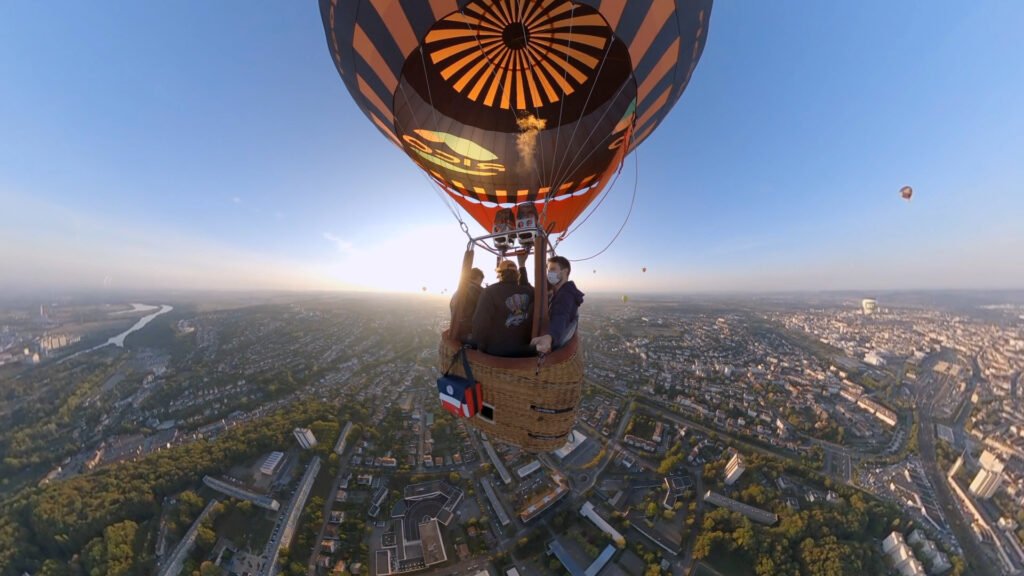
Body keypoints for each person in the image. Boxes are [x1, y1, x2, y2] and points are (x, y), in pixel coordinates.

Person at [471, 259, 534, 357]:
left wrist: (480, 347)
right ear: (517, 274)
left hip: (496, 351)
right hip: (524, 350)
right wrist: (522, 266)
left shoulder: (490, 292)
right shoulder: (529, 292)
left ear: (500, 274)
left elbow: (480, 324)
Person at [531, 255, 584, 354]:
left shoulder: (565, 295)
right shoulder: (559, 292)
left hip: (556, 343)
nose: (549, 273)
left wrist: (550, 337)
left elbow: (561, 315)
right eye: (548, 270)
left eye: (553, 269)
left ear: (565, 271)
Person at [449, 267, 484, 343]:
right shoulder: (477, 291)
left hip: (457, 331)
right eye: (481, 281)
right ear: (478, 278)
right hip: (470, 332)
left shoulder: (458, 291)